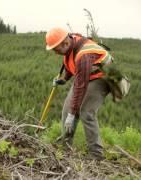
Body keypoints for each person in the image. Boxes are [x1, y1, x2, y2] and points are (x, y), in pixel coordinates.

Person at [45, 27, 114, 160]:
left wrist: (73, 114)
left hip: (102, 78)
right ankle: (65, 147)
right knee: (67, 110)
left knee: (86, 112)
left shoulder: (84, 55)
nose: (55, 52)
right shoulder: (71, 43)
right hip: (85, 75)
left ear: (65, 43)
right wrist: (64, 79)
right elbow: (71, 64)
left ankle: (96, 155)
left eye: (56, 49)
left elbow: (80, 87)